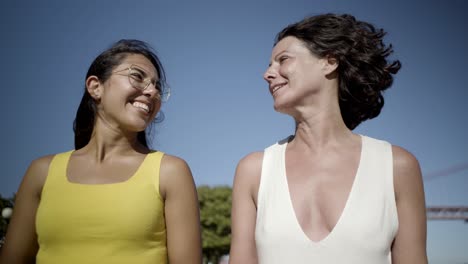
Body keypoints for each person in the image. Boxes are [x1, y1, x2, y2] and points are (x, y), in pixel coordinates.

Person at [229, 14, 427, 264]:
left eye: (283, 60)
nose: (268, 73)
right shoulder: (254, 170)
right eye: (270, 65)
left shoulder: (397, 166)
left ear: (329, 62)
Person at [0, 39, 202, 264]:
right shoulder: (41, 172)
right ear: (95, 86)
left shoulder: (171, 172)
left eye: (157, 86)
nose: (152, 91)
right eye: (137, 76)